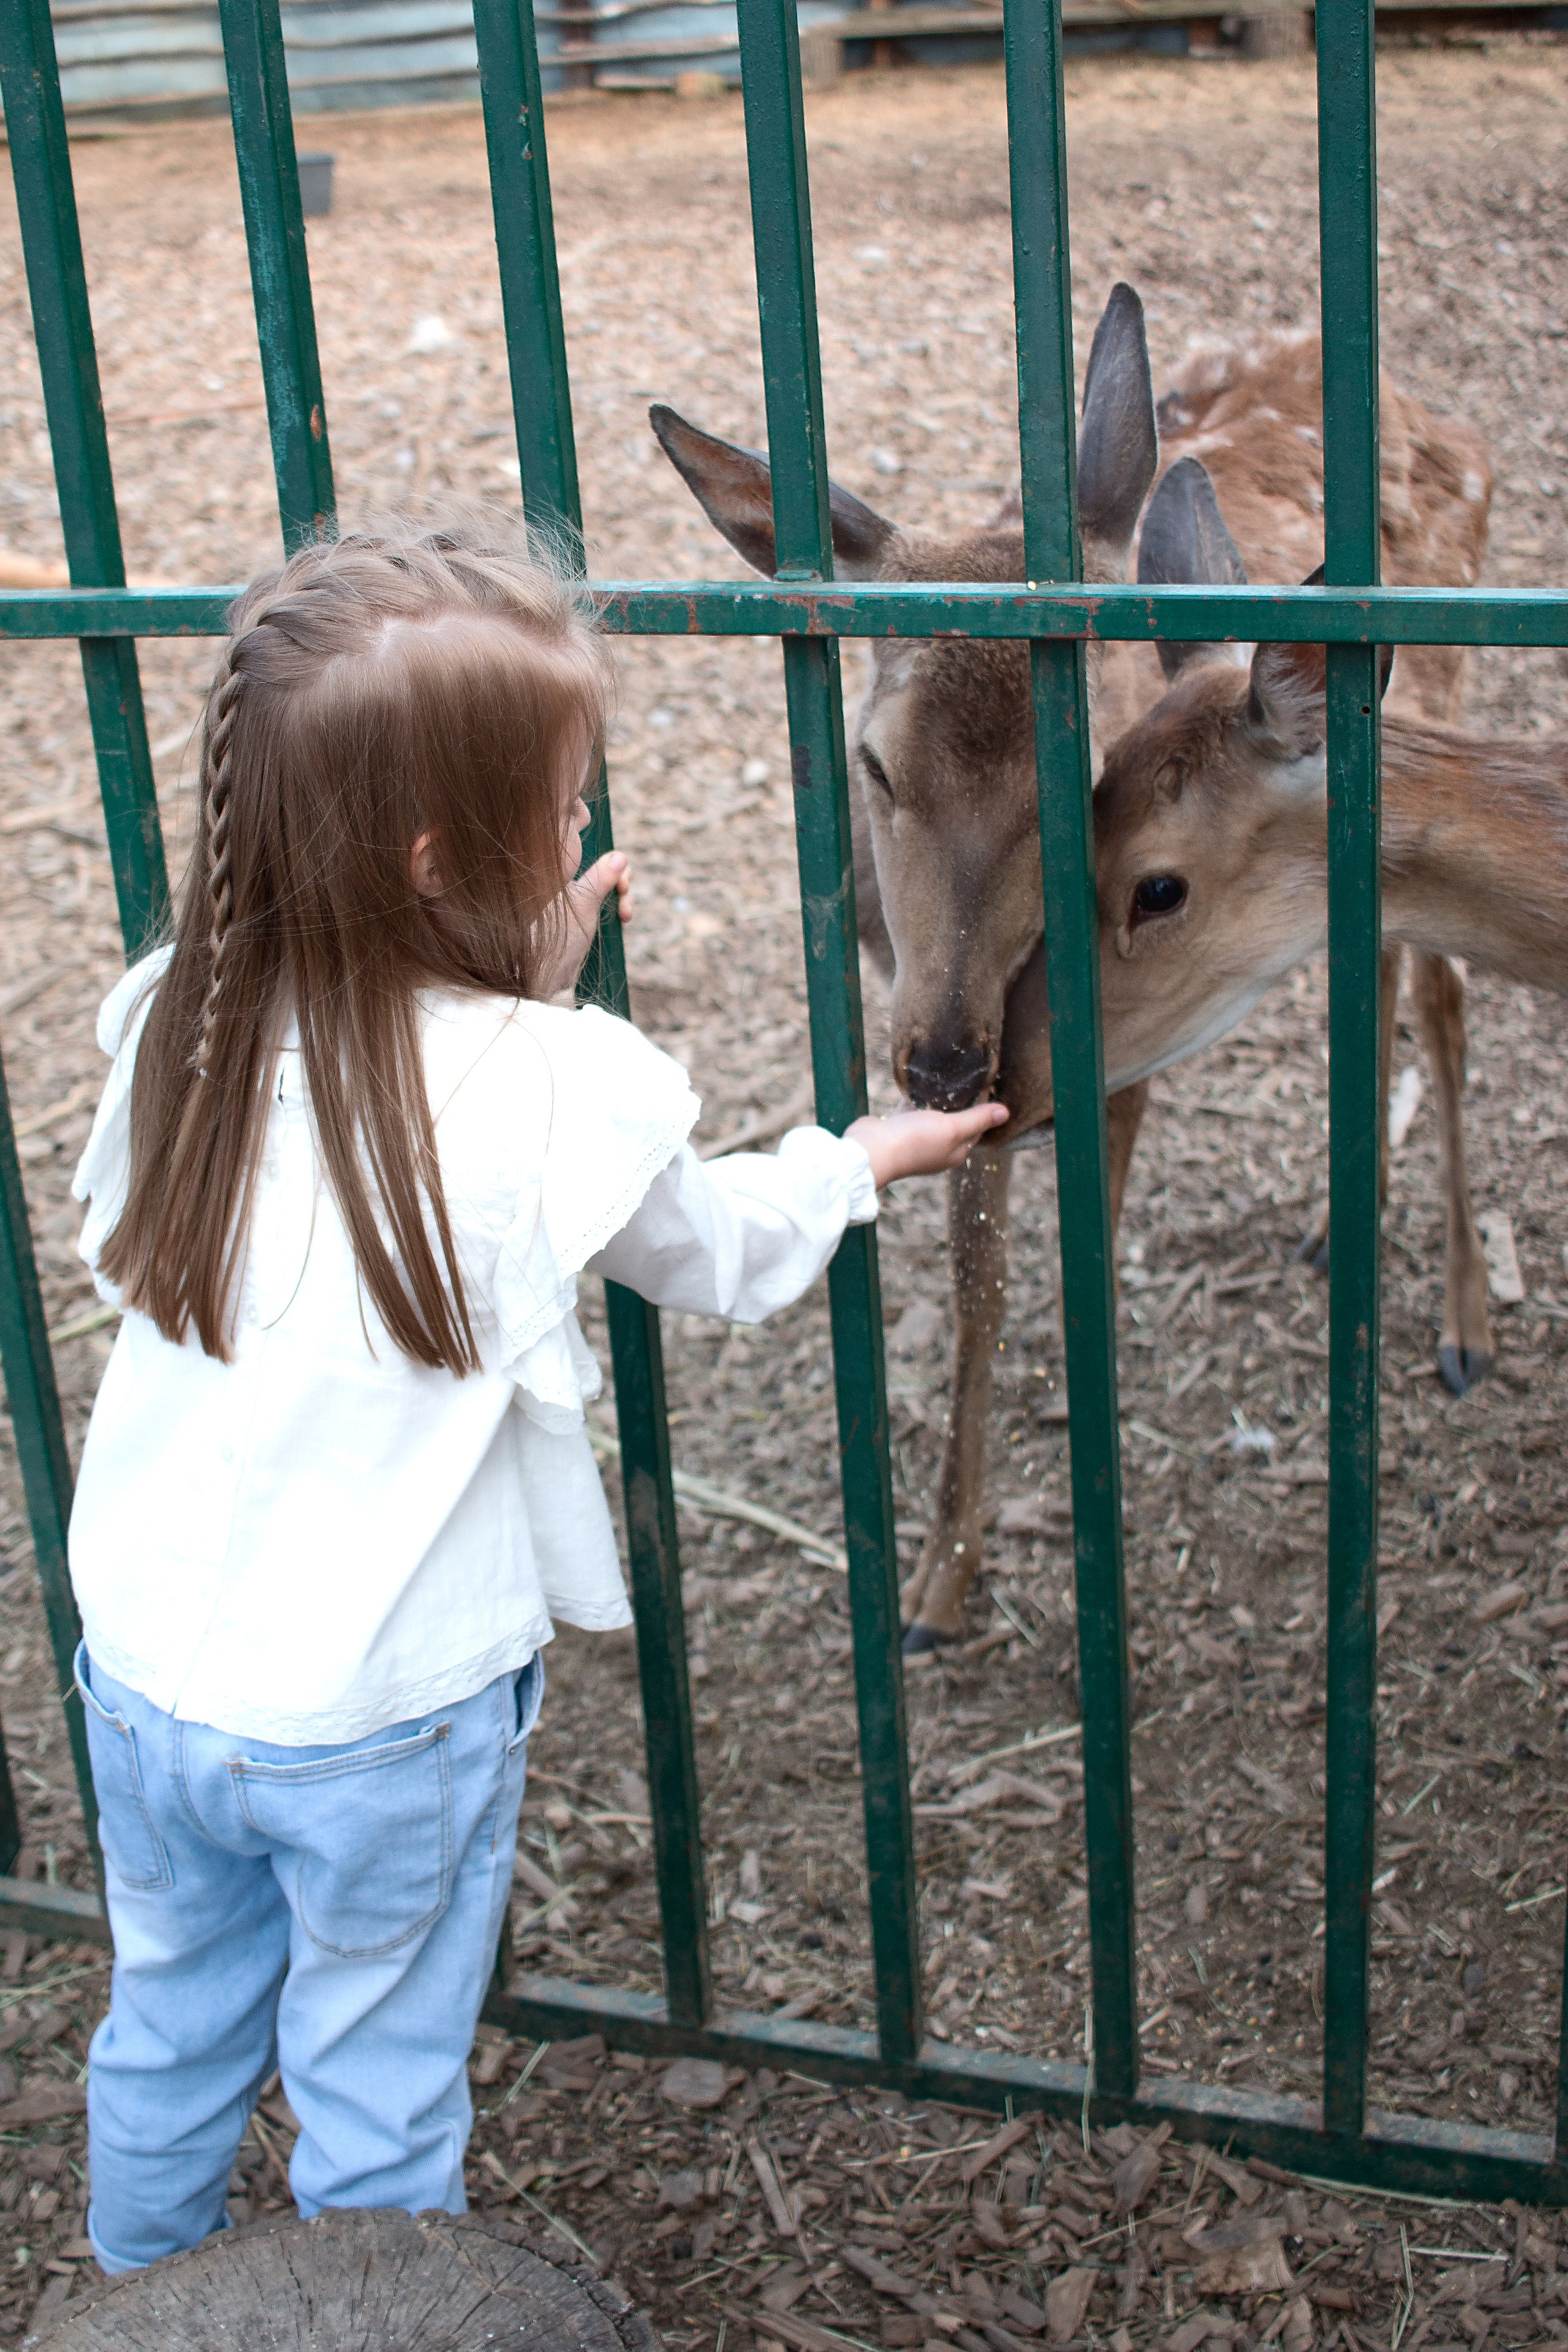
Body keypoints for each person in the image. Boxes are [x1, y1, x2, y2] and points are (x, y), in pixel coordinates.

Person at [67, 519, 1003, 2272]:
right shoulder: (557, 1084)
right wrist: (858, 1162)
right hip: (382, 1722)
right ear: (441, 860)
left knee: (170, 2027)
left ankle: (136, 2300)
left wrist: (494, 972)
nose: (580, 833)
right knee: (377, 2083)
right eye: (560, 810)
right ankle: (382, 2310)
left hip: (146, 1688)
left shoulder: (170, 1019)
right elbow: (710, 1246)